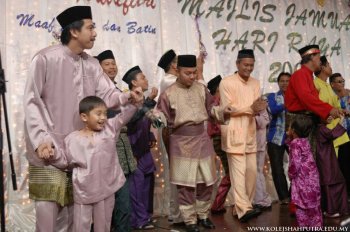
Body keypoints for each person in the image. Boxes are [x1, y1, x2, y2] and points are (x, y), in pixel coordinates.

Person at [23, 6, 142, 231]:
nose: (95, 33)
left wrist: (127, 97)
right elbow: (32, 102)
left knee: (73, 217)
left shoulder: (91, 63)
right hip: (49, 150)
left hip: (81, 152)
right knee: (48, 217)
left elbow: (107, 95)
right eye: (91, 27)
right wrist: (41, 140)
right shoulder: (45, 59)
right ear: (75, 31)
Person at [49, 96, 137, 231]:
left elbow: (124, 116)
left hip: (106, 188)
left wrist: (135, 103)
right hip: (84, 189)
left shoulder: (109, 130)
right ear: (84, 117)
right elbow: (65, 162)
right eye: (98, 114)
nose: (103, 118)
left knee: (104, 226)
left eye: (105, 114)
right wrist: (52, 154)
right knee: (80, 226)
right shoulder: (72, 139)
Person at [157, 55, 220, 232]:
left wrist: (224, 111)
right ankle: (190, 220)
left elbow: (212, 109)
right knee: (186, 185)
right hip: (181, 142)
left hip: (202, 139)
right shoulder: (169, 93)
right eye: (188, 73)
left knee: (206, 182)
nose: (192, 77)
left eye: (194, 73)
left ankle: (203, 215)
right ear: (177, 71)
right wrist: (156, 117)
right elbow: (161, 114)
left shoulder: (201, 89)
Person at [219, 49, 266, 222]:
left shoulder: (255, 82)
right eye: (245, 65)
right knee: (238, 173)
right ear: (237, 64)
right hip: (234, 132)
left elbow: (256, 107)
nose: (248, 68)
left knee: (252, 171)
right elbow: (228, 109)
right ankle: (244, 209)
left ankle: (245, 205)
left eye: (251, 65)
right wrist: (251, 109)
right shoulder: (226, 83)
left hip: (251, 132)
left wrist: (259, 107)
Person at [96, 49, 137, 232]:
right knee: (115, 200)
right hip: (108, 148)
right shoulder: (98, 94)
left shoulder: (120, 90)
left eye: (113, 63)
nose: (112, 67)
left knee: (123, 199)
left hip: (123, 147)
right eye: (107, 64)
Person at [285, 45, 343, 154]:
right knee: (304, 163)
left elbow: (312, 99)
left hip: (306, 121)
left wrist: (323, 116)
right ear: (312, 57)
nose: (320, 61)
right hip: (299, 122)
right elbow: (306, 98)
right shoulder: (300, 74)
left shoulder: (308, 76)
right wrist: (328, 109)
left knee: (311, 161)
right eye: (318, 56)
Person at [122, 66, 158, 230]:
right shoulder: (129, 99)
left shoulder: (144, 99)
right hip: (133, 149)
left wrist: (150, 135)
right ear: (134, 82)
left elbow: (145, 121)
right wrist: (150, 101)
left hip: (145, 148)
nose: (146, 80)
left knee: (148, 183)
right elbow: (132, 119)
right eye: (142, 77)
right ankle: (139, 220)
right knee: (136, 187)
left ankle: (147, 216)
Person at [287, 115, 323, 227]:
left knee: (302, 208)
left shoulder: (295, 144)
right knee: (315, 208)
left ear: (293, 131)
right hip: (313, 180)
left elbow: (295, 164)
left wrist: (290, 174)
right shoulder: (305, 141)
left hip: (303, 182)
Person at [207, 75, 231, 214]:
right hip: (220, 138)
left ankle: (218, 204)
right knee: (231, 173)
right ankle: (217, 204)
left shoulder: (214, 101)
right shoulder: (217, 102)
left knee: (232, 172)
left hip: (218, 138)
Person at [316, 115, 349, 218]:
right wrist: (341, 121)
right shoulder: (321, 129)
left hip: (326, 157)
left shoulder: (320, 128)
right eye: (326, 116)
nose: (329, 118)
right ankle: (332, 210)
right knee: (329, 182)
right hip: (325, 159)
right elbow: (333, 133)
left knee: (331, 182)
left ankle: (333, 208)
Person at [267, 72, 291, 205]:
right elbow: (272, 109)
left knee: (298, 166)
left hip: (293, 137)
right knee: (277, 168)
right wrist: (286, 103)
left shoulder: (297, 96)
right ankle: (284, 197)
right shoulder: (272, 96)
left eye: (287, 81)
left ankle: (295, 194)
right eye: (282, 81)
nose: (285, 83)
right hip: (275, 137)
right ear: (278, 82)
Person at [330, 73, 350, 198]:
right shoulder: (331, 97)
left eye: (342, 81)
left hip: (349, 132)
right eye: (338, 81)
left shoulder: (349, 94)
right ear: (332, 84)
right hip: (339, 135)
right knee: (342, 164)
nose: (342, 83)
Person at [253, 109, 272, 210]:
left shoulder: (261, 107)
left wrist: (254, 114)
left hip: (259, 145)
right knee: (255, 172)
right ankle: (260, 199)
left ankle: (261, 200)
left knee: (257, 172)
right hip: (252, 145)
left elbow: (263, 122)